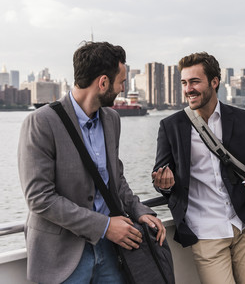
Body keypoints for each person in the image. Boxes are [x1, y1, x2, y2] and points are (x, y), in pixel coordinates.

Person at [18, 41, 166, 284]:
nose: (123, 88)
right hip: (61, 257)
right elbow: (39, 198)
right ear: (103, 82)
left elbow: (115, 179)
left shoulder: (112, 119)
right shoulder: (41, 123)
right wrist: (105, 226)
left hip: (110, 252)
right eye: (121, 81)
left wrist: (139, 211)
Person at [152, 52, 245, 284]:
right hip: (205, 233)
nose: (188, 89)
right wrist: (163, 183)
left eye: (195, 81)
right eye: (185, 83)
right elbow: (162, 174)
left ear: (214, 82)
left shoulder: (242, 118)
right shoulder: (170, 126)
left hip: (244, 225)